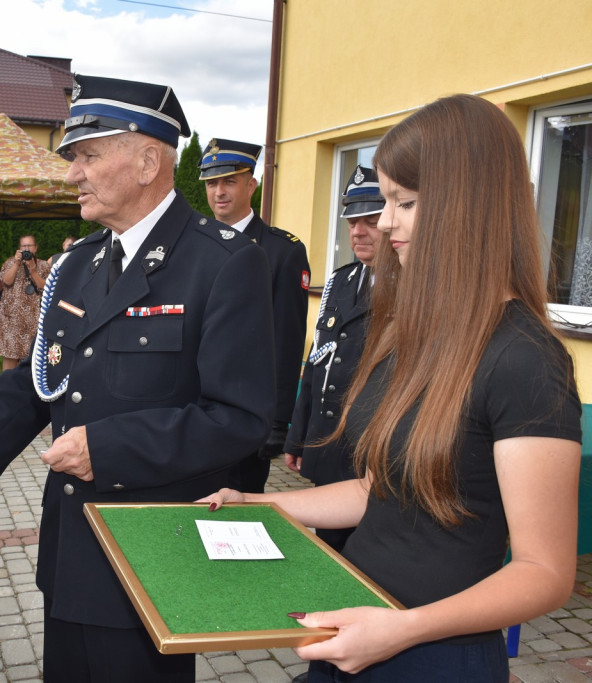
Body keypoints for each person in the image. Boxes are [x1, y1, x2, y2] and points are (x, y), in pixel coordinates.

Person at [200, 94, 582, 682]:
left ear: (468, 207)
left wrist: (402, 629)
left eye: (405, 202)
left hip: (433, 655)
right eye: (385, 201)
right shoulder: (418, 334)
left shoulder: (526, 359)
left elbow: (543, 572)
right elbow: (382, 489)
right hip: (361, 627)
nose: (383, 221)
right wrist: (263, 504)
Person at [0, 74, 277, 683]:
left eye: (87, 155)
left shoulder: (224, 264)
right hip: (72, 549)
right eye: (72, 158)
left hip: (153, 554)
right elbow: (39, 381)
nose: (71, 174)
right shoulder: (80, 262)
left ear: (146, 161)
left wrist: (107, 447)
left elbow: (240, 419)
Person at [282, 165, 384, 553]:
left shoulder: (413, 290)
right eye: (352, 221)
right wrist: (300, 435)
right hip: (330, 444)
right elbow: (317, 362)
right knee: (328, 549)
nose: (358, 231)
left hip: (370, 456)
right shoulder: (341, 281)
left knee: (365, 557)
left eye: (370, 221)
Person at [200, 137, 311, 493]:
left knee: (239, 508)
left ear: (252, 184)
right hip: (193, 411)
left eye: (229, 181)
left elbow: (287, 340)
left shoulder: (281, 252)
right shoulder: (194, 245)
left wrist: (277, 420)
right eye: (212, 182)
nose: (219, 191)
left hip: (246, 413)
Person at [0, 235, 51, 371]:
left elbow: (45, 287)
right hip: (12, 317)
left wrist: (33, 271)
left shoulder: (44, 265)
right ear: (19, 248)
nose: (27, 249)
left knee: (32, 356)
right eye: (24, 246)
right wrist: (17, 264)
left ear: (36, 248)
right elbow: (7, 281)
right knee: (10, 355)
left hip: (34, 318)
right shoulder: (9, 263)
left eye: (30, 246)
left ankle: (26, 389)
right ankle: (7, 388)